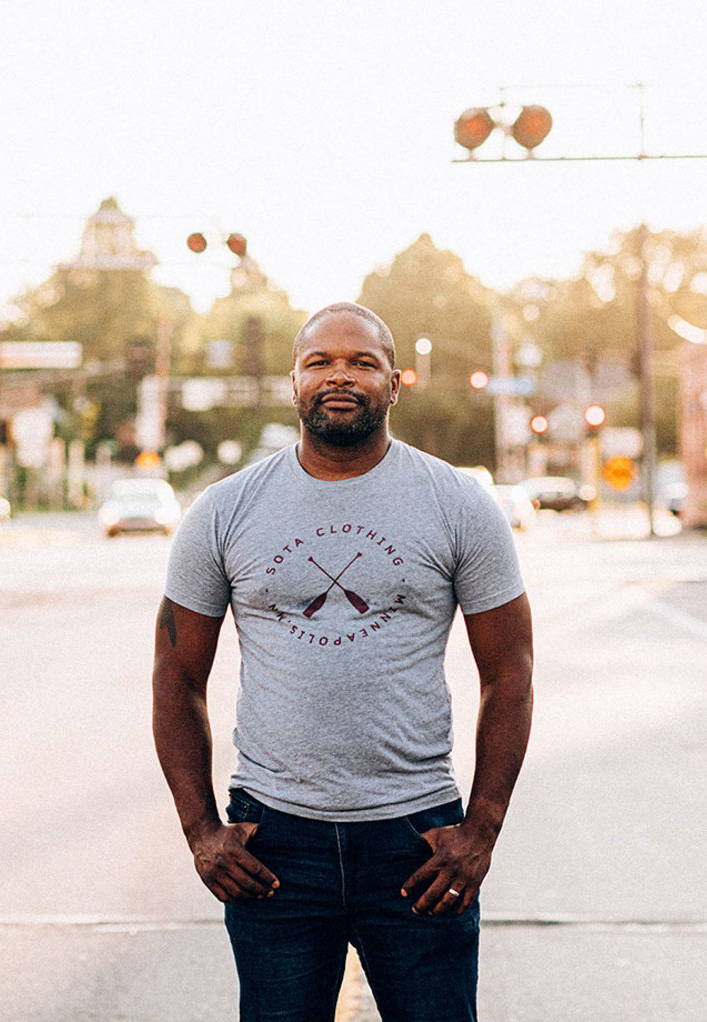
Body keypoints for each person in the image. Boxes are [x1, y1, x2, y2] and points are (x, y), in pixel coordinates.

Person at [152, 301, 533, 1022]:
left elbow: (510, 674)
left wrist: (480, 829)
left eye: (363, 362)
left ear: (396, 383)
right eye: (319, 361)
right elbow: (176, 678)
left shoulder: (458, 505)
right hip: (274, 845)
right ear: (293, 382)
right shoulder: (224, 511)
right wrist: (202, 830)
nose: (340, 376)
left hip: (417, 839)